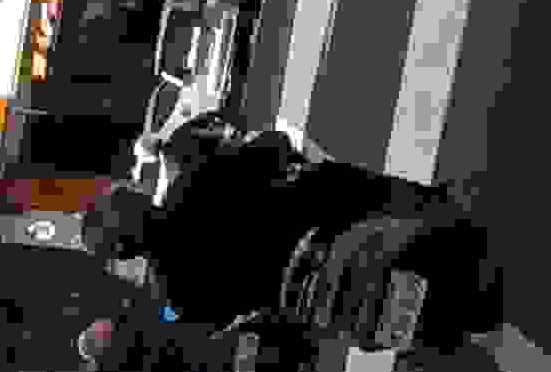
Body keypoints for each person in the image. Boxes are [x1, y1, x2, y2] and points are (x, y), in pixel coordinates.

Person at [84, 125, 452, 330]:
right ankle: (432, 204)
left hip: (302, 295)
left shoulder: (172, 292)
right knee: (341, 181)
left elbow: (221, 319)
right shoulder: (190, 186)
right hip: (317, 224)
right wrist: (271, 147)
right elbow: (262, 154)